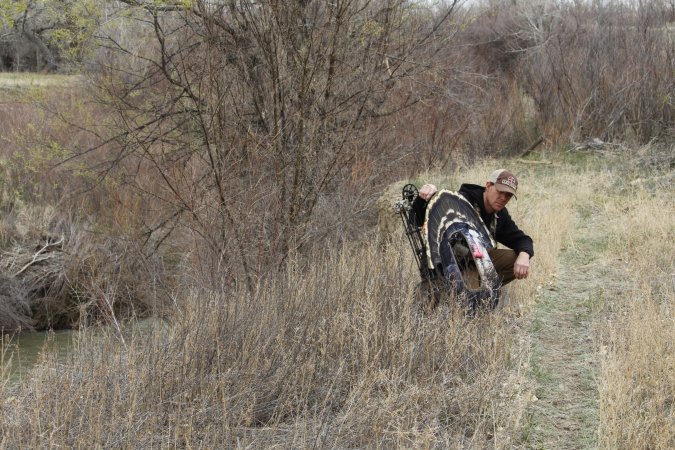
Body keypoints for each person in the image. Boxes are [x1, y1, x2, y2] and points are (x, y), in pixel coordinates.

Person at [415, 169, 533, 286]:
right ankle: (448, 290)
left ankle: (484, 289)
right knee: (446, 297)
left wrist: (524, 254)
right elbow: (417, 219)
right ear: (488, 185)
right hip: (444, 268)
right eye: (500, 191)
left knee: (514, 258)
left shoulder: (500, 214)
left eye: (508, 195)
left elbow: (522, 240)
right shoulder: (461, 200)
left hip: (473, 264)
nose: (503, 198)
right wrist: (424, 197)